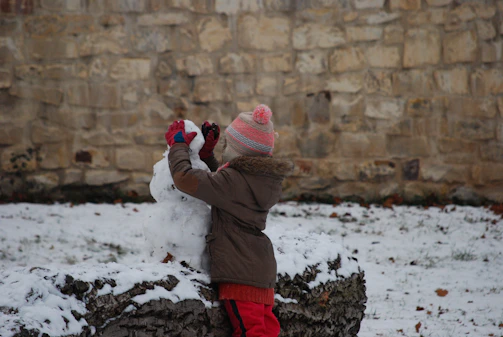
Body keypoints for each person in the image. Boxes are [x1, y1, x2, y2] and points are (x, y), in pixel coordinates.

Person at [165, 104, 293, 337]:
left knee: (251, 332)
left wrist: (179, 145)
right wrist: (206, 156)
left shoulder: (232, 183)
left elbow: (184, 178)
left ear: (237, 149)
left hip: (240, 274)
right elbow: (225, 185)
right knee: (267, 330)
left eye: (228, 144)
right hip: (260, 272)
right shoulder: (262, 180)